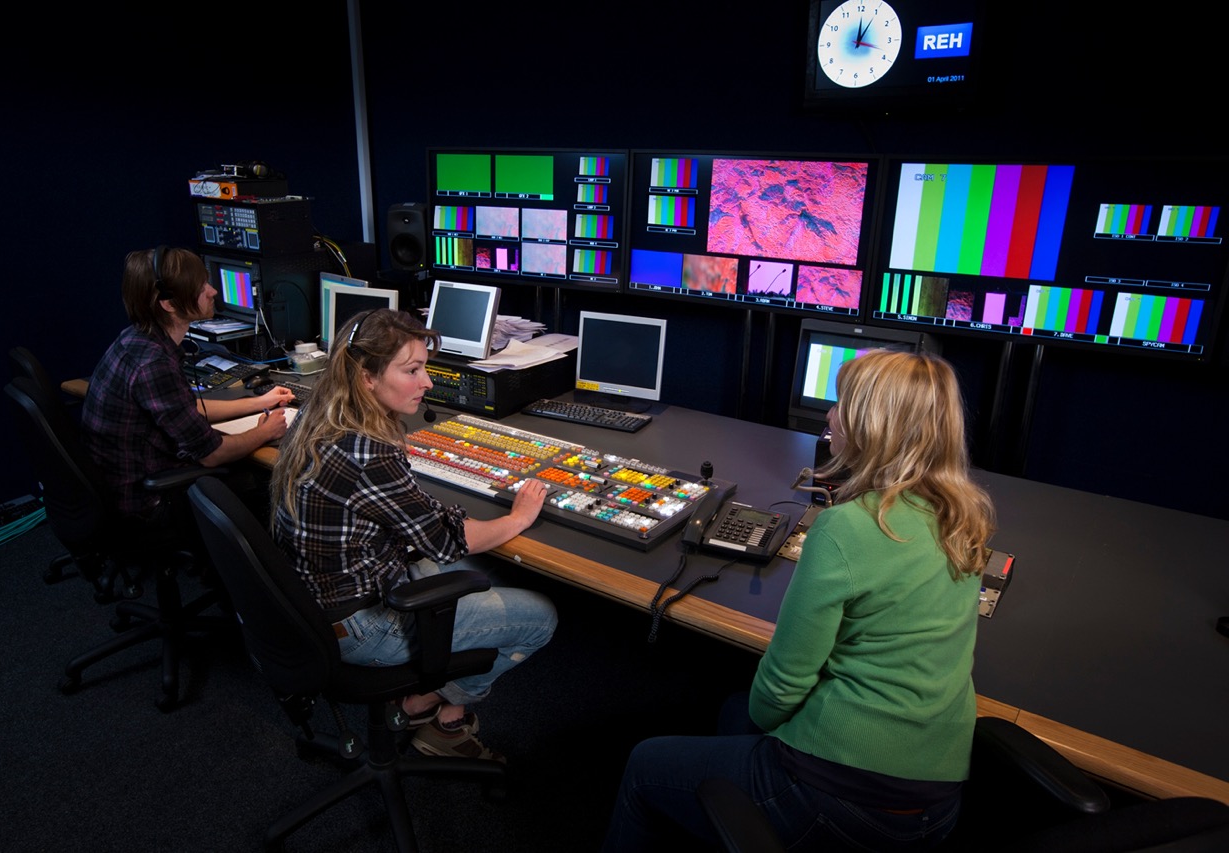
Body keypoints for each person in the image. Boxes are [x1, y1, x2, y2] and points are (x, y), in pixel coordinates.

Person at [603, 350, 997, 852]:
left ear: (872, 425)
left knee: (646, 763)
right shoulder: (965, 517)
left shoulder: (846, 528)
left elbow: (780, 691)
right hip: (938, 798)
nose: (830, 416)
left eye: (841, 404)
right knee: (731, 712)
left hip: (846, 797)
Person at [270, 307, 557, 762]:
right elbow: (445, 541)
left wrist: (441, 514)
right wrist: (519, 517)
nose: (426, 382)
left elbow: (405, 516)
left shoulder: (315, 415)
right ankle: (441, 716)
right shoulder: (368, 451)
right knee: (540, 617)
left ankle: (425, 698)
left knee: (476, 573)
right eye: (412, 370)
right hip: (361, 627)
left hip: (313, 609)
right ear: (367, 376)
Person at [81, 246, 291, 526]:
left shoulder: (136, 340)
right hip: (149, 504)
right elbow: (211, 455)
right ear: (169, 303)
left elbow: (186, 409)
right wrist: (264, 432)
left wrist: (258, 402)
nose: (212, 291)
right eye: (202, 286)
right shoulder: (153, 365)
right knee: (267, 484)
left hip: (123, 486)